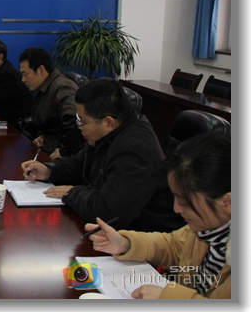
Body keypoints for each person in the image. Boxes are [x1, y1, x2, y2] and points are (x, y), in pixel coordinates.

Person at [22, 78, 183, 232]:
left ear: (108, 123)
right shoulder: (107, 134)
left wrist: (72, 193)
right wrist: (50, 170)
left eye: (83, 122)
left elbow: (109, 212)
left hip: (142, 238)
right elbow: (80, 164)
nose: (79, 127)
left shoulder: (135, 150)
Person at [86, 133, 231, 299]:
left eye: (185, 202)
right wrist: (125, 243)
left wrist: (168, 297)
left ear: (227, 202)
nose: (176, 208)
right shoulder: (208, 227)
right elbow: (174, 246)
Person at [18, 47, 84, 158]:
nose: (23, 79)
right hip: (48, 147)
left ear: (41, 70)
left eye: (26, 74)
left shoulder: (61, 88)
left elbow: (75, 121)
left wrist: (64, 151)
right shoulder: (45, 87)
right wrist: (43, 136)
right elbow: (51, 124)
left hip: (63, 156)